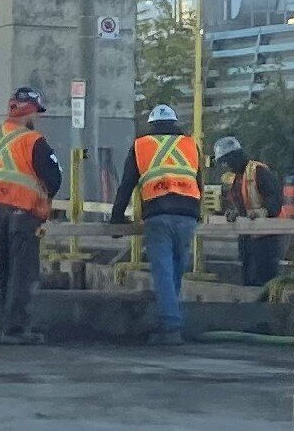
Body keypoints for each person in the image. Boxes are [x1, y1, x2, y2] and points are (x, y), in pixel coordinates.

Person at [111, 104, 201, 346]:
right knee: (177, 268)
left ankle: (170, 327)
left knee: (163, 271)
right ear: (174, 123)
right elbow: (198, 181)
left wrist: (116, 218)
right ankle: (172, 321)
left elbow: (126, 184)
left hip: (158, 214)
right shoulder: (190, 145)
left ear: (151, 125)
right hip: (187, 214)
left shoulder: (142, 146)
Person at [0, 87, 61, 346]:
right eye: (36, 113)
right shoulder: (33, 140)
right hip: (23, 210)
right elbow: (53, 176)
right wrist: (45, 200)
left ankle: (4, 325)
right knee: (23, 271)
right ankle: (16, 329)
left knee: (6, 268)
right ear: (29, 112)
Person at [213, 136, 283, 287]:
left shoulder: (258, 171)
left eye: (227, 160)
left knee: (264, 278)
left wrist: (262, 212)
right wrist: (234, 213)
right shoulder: (236, 178)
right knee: (248, 277)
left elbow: (275, 198)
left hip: (266, 236)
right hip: (246, 236)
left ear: (236, 156)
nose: (226, 165)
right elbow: (242, 203)